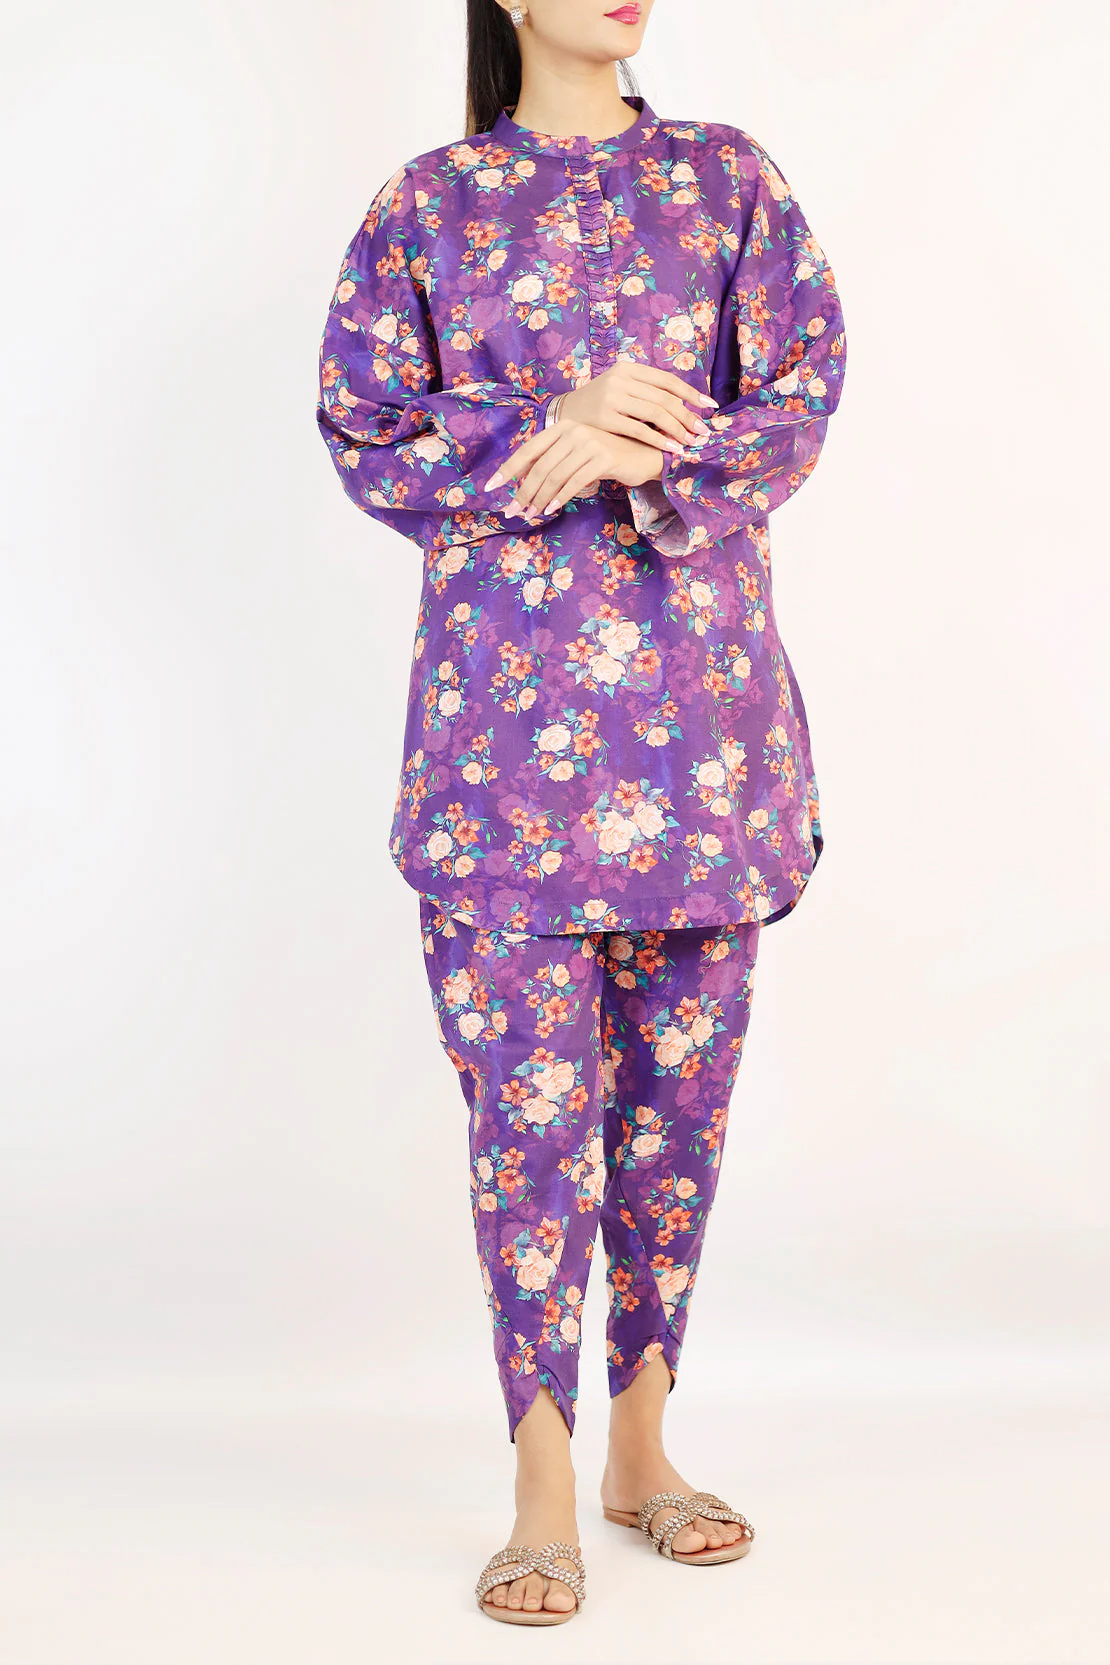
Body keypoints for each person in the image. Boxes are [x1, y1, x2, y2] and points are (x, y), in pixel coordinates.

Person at [315, 0, 847, 1628]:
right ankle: (539, 1486)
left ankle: (640, 1453)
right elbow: (363, 428)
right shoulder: (428, 202)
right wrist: (541, 427)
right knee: (528, 1126)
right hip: (505, 760)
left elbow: (803, 394)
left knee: (676, 1120)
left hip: (705, 748)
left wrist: (636, 449)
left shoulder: (727, 180)